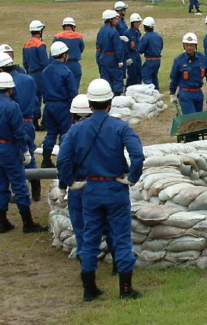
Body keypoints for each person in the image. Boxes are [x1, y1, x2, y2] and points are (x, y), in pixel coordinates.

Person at [57, 78, 145, 301]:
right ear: (111, 101)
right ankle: (125, 289)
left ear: (89, 102)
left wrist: (70, 183)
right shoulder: (120, 127)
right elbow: (137, 155)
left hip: (91, 189)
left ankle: (89, 289)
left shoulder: (76, 130)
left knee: (89, 239)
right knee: (122, 238)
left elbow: (63, 159)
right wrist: (132, 178)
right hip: (115, 188)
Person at [0, 72, 48, 233]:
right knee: (19, 186)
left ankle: (2, 222)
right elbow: (18, 133)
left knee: (2, 186)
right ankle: (27, 222)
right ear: (10, 89)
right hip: (10, 149)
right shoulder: (13, 107)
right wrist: (25, 151)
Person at [0, 53, 41, 201]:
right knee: (29, 155)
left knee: (15, 157)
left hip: (14, 123)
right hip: (29, 121)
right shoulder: (29, 79)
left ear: (0, 69)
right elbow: (37, 100)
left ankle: (19, 191)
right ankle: (35, 186)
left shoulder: (7, 84)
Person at [55, 94, 92, 263]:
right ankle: (117, 262)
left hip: (77, 184)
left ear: (73, 116)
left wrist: (64, 186)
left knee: (80, 224)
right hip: (102, 183)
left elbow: (63, 163)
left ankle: (86, 260)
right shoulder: (109, 131)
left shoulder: (69, 136)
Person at [40, 42, 78, 170]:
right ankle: (64, 161)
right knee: (65, 134)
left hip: (49, 106)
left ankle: (46, 160)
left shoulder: (45, 71)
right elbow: (73, 92)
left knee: (50, 133)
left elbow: (43, 90)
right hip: (62, 106)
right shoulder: (66, 72)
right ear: (64, 55)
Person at [170, 33, 207, 115]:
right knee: (192, 119)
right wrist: (172, 93)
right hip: (185, 94)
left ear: (195, 45)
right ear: (183, 46)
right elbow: (174, 78)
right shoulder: (179, 61)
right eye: (187, 45)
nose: (189, 48)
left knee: (199, 120)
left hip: (198, 93)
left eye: (191, 45)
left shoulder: (202, 58)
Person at [22, 20, 48, 131]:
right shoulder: (40, 44)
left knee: (33, 97)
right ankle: (41, 122)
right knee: (44, 97)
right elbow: (44, 62)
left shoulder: (26, 44)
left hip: (30, 73)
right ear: (40, 31)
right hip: (39, 74)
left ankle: (34, 121)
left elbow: (25, 62)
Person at [96, 10, 126, 96]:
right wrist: (120, 60)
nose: (117, 20)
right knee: (117, 78)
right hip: (112, 58)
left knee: (106, 79)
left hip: (103, 57)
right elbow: (118, 47)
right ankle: (117, 97)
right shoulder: (113, 31)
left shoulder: (101, 30)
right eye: (115, 18)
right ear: (110, 20)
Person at [53, 17, 85, 90]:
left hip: (61, 65)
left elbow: (53, 52)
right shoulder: (78, 36)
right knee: (74, 88)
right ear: (73, 26)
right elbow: (81, 49)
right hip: (75, 65)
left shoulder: (58, 36)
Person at [138, 17, 163, 90]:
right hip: (158, 60)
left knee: (146, 75)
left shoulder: (146, 37)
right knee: (154, 76)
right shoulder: (158, 36)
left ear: (145, 26)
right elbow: (161, 46)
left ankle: (150, 91)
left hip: (150, 60)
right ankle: (156, 90)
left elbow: (141, 50)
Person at [124, 13, 143, 87]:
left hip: (137, 55)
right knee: (132, 74)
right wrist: (128, 57)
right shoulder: (127, 33)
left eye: (139, 22)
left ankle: (138, 88)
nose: (138, 24)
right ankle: (128, 88)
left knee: (139, 73)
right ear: (133, 23)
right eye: (136, 22)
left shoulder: (138, 33)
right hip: (131, 55)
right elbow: (125, 46)